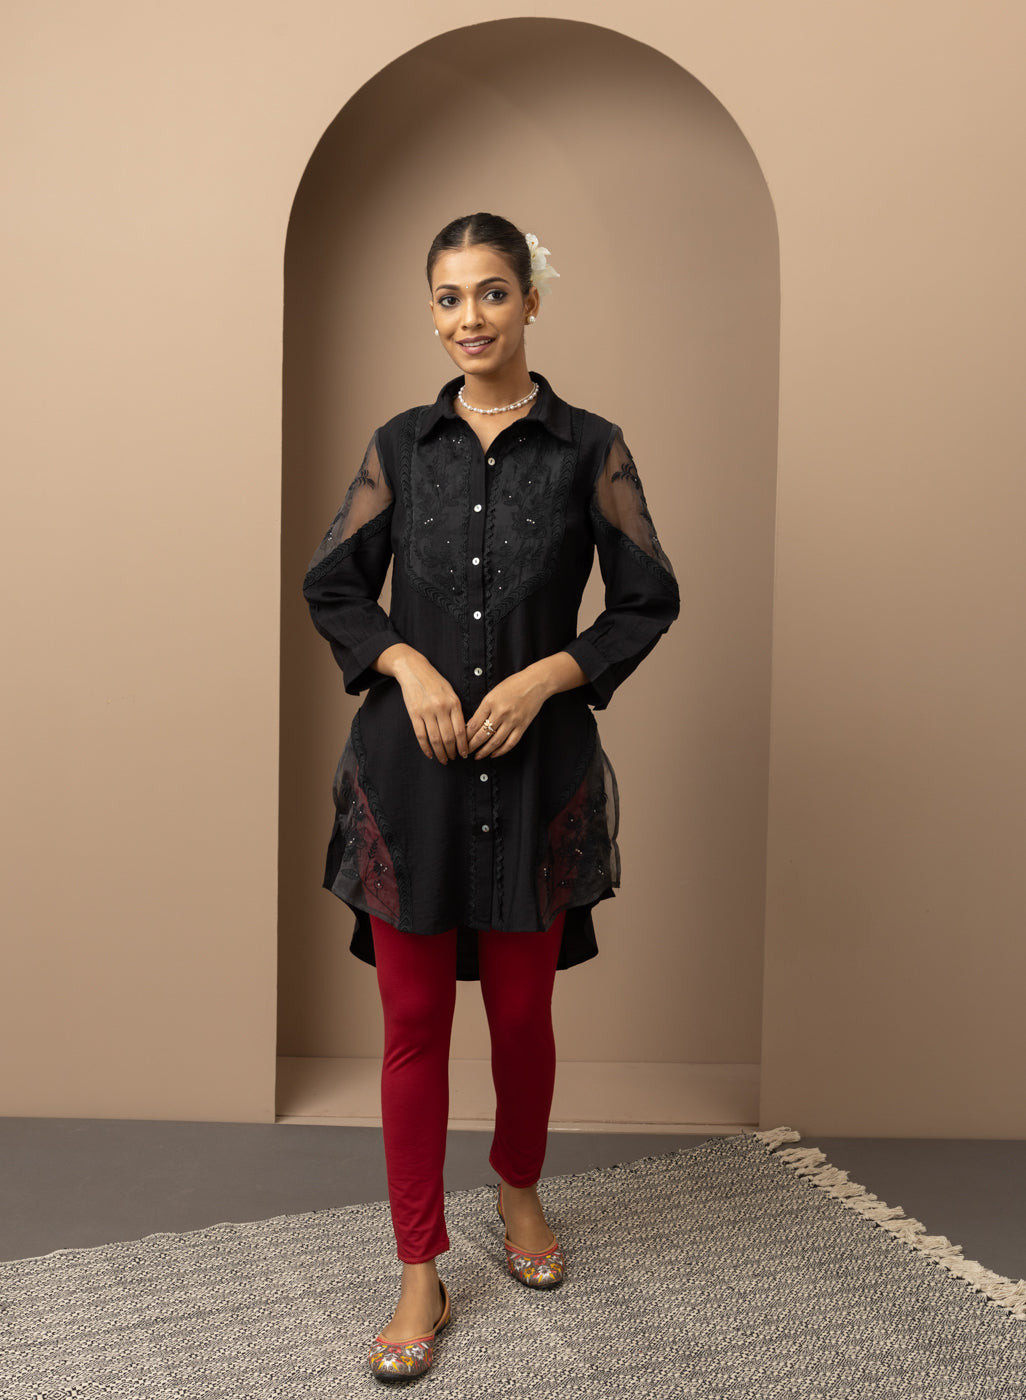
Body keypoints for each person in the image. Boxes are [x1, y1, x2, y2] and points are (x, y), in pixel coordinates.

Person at [302, 212, 680, 1381]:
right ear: (433, 311)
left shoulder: (591, 448)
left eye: (493, 293)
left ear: (530, 302)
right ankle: (419, 1263)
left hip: (535, 779)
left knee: (521, 1017)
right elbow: (333, 584)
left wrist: (551, 672)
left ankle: (518, 1188)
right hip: (406, 780)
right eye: (449, 296)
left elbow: (647, 597)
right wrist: (403, 662)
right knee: (414, 1026)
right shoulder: (399, 446)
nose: (470, 316)